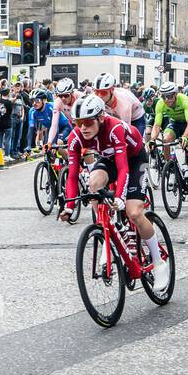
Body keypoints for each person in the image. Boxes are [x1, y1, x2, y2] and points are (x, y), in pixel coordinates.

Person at [61, 95, 169, 289]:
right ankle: (104, 229)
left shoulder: (115, 129)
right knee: (93, 184)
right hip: (109, 159)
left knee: (134, 212)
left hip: (135, 159)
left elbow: (123, 169)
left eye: (87, 122)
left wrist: (120, 197)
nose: (82, 127)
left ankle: (159, 261)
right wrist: (69, 206)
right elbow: (72, 175)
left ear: (101, 118)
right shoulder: (76, 137)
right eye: (78, 122)